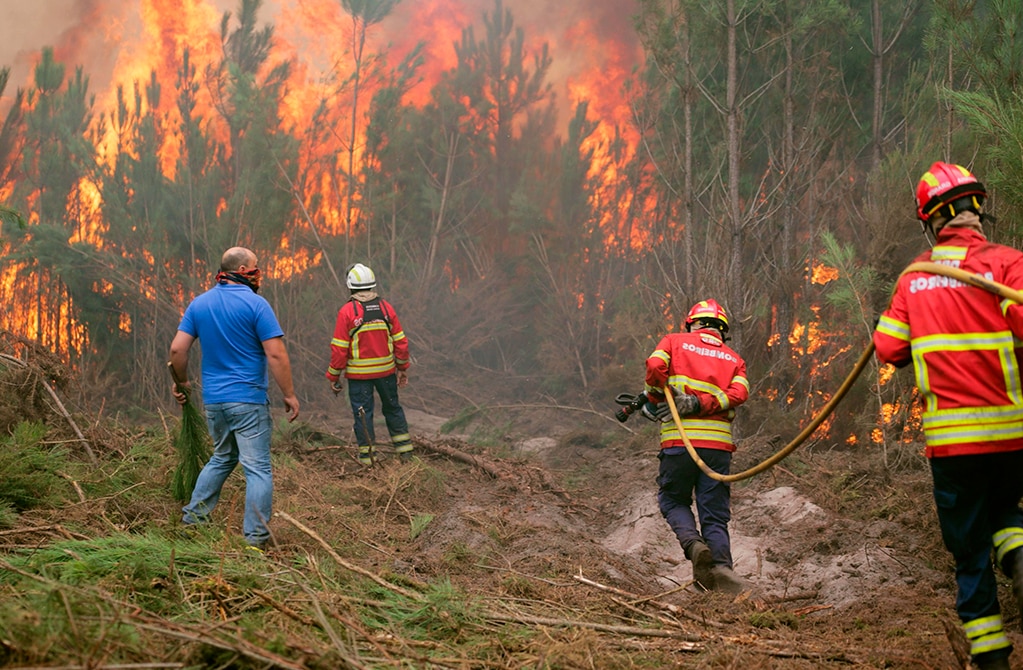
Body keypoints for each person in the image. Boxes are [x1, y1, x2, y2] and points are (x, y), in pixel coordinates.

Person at [874, 162, 1023, 670]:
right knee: (1007, 514)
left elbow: (888, 348)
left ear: (931, 221)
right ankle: (1021, 559)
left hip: (953, 444)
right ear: (977, 208)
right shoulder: (1009, 263)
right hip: (1011, 434)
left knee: (969, 548)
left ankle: (992, 658)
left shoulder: (915, 278)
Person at [169, 247, 300, 551]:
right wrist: (289, 394)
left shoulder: (199, 304)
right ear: (242, 270)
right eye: (256, 267)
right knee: (257, 468)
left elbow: (178, 350)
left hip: (214, 401)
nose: (259, 273)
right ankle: (255, 540)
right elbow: (276, 353)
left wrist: (182, 382)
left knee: (223, 457)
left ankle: (193, 521)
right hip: (248, 400)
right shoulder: (257, 305)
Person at [643, 299, 750, 593]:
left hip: (680, 443)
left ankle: (693, 545)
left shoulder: (673, 341)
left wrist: (657, 399)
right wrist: (701, 402)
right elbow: (740, 393)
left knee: (673, 500)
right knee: (714, 514)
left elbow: (654, 366)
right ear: (721, 330)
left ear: (692, 323)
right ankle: (721, 575)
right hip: (718, 448)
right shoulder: (733, 359)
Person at [326, 263, 412, 465]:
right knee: (393, 409)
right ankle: (406, 455)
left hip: (359, 377)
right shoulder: (385, 307)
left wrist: (333, 375)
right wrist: (402, 368)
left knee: (363, 415)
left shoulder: (347, 312)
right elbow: (400, 341)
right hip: (387, 373)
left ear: (350, 286)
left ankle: (367, 460)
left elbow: (339, 348)